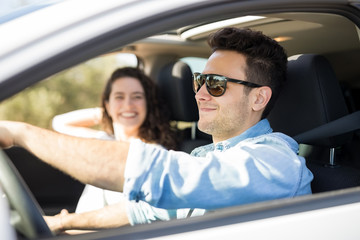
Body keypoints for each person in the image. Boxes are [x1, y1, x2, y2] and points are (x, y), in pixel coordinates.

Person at [0, 27, 313, 227]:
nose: (200, 93)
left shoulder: (275, 163)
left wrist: (22, 134)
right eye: (200, 80)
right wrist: (63, 224)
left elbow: (158, 174)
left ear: (259, 98)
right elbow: (142, 212)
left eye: (216, 84)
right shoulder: (209, 156)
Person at [45, 67, 193, 233]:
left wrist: (65, 223)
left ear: (148, 104)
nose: (128, 104)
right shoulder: (103, 141)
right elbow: (59, 123)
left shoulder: (152, 154)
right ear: (107, 104)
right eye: (119, 97)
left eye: (137, 97)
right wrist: (113, 111)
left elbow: (128, 217)